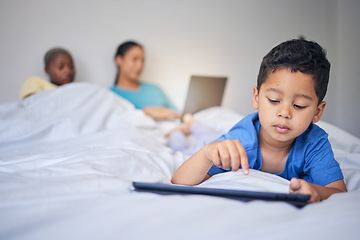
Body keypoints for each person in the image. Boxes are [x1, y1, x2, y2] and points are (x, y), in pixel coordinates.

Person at [171, 39, 347, 203]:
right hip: (208, 142)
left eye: (299, 106)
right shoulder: (240, 141)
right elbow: (179, 180)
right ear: (256, 97)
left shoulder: (314, 143)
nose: (284, 113)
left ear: (317, 112)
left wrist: (318, 192)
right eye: (274, 100)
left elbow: (338, 191)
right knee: (186, 142)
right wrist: (206, 153)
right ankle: (184, 126)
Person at [110, 41, 180, 120]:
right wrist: (146, 112)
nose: (140, 65)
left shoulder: (155, 90)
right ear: (119, 60)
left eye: (142, 60)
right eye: (134, 59)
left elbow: (179, 115)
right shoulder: (110, 96)